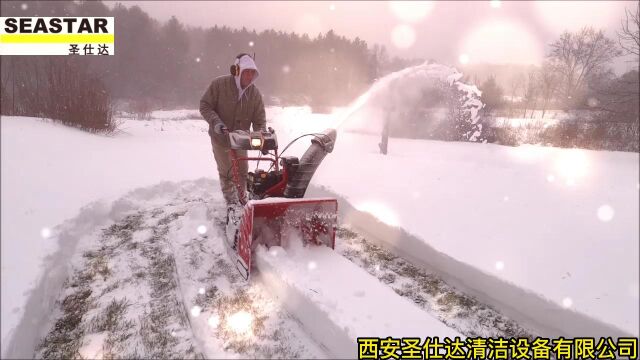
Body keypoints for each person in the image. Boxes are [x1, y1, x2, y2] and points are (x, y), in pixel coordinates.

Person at [199, 53, 266, 215]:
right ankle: (231, 202)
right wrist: (216, 123)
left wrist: (262, 136)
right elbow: (205, 105)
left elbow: (259, 119)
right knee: (227, 172)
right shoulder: (219, 85)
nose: (250, 76)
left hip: (242, 140)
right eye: (246, 72)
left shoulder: (254, 94)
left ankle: (242, 200)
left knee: (242, 171)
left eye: (252, 73)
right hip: (221, 138)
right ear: (237, 71)